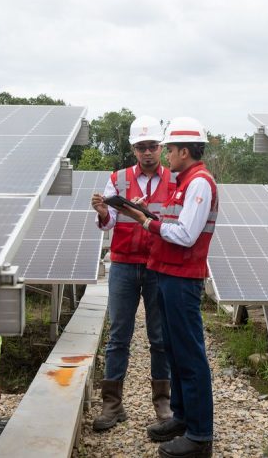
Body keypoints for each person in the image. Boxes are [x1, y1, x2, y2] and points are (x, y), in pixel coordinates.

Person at [119, 116, 217, 458]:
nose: (167, 154)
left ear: (185, 151)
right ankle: (182, 417)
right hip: (167, 273)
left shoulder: (199, 183)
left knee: (190, 355)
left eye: (171, 148)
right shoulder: (184, 181)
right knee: (175, 351)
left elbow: (187, 235)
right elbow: (175, 224)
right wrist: (152, 219)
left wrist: (147, 222)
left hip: (182, 277)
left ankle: (200, 435)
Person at [89, 115, 177, 431]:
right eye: (141, 147)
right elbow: (110, 220)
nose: (147, 152)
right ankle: (112, 405)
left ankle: (163, 403)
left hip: (157, 265)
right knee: (118, 336)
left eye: (152, 146)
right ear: (134, 149)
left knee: (160, 337)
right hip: (124, 264)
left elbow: (178, 222)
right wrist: (103, 214)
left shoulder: (175, 181)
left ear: (161, 147)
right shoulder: (119, 178)